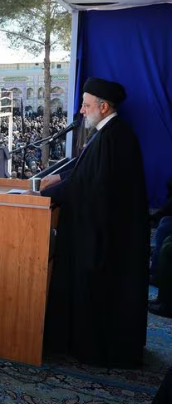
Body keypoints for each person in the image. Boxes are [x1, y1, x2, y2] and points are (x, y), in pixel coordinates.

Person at [39, 77, 148, 368]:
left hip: (106, 236)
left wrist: (49, 193)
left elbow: (90, 186)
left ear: (103, 106)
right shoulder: (109, 133)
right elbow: (85, 170)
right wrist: (60, 178)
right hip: (104, 229)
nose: (82, 111)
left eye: (86, 106)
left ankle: (95, 351)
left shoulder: (114, 137)